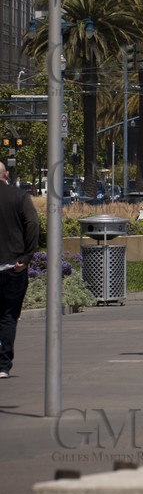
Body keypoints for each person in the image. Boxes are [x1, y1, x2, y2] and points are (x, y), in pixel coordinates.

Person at [0, 161, 41, 380]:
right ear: (5, 174)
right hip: (13, 267)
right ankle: (3, 365)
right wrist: (27, 256)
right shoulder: (19, 197)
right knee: (8, 317)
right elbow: (33, 224)